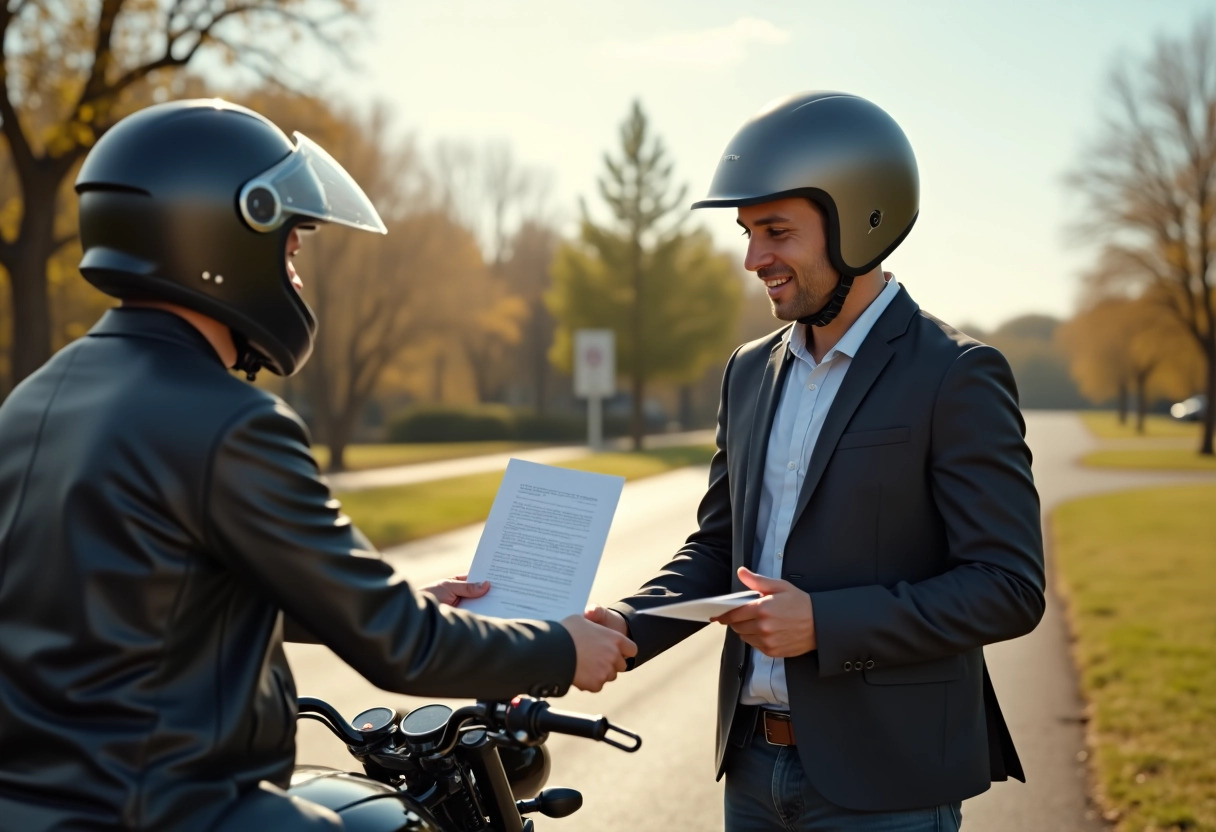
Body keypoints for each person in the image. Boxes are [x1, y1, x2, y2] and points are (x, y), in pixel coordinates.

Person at [0, 99, 635, 832]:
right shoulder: (231, 423)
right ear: (229, 235)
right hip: (174, 809)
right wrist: (563, 647)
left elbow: (146, 595)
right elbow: (402, 646)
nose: (295, 276)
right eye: (292, 250)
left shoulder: (34, 399)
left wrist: (359, 602)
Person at [586, 91, 1046, 830]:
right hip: (751, 773)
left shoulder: (957, 374)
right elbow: (716, 550)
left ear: (863, 221)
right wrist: (619, 622)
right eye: (747, 232)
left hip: (887, 785)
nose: (752, 258)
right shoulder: (746, 371)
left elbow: (1007, 586)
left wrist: (825, 624)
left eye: (775, 231)